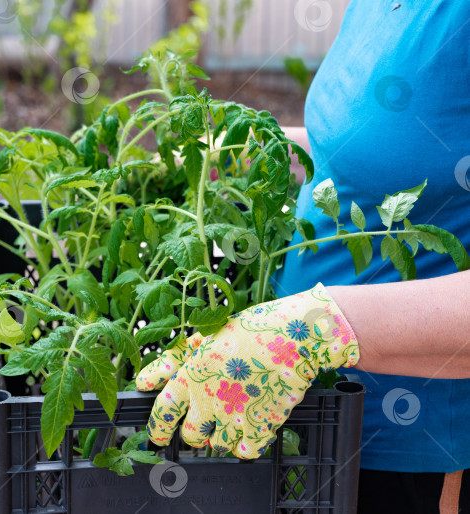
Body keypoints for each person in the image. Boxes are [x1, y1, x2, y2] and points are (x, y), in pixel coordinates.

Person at [137, 2, 470, 513]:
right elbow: (371, 152)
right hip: (300, 413)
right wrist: (239, 154)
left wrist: (316, 327)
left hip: (415, 448)